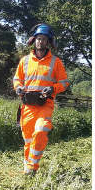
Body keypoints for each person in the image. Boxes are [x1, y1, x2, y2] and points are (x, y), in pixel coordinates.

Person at [14, 24, 69, 176]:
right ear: (33, 40)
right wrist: (18, 87)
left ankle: (32, 167)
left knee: (40, 131)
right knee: (28, 139)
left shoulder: (55, 62)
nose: (40, 42)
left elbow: (64, 82)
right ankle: (27, 168)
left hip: (45, 104)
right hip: (27, 105)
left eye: (44, 39)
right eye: (38, 39)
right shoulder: (24, 61)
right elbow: (17, 79)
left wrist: (53, 88)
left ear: (48, 42)